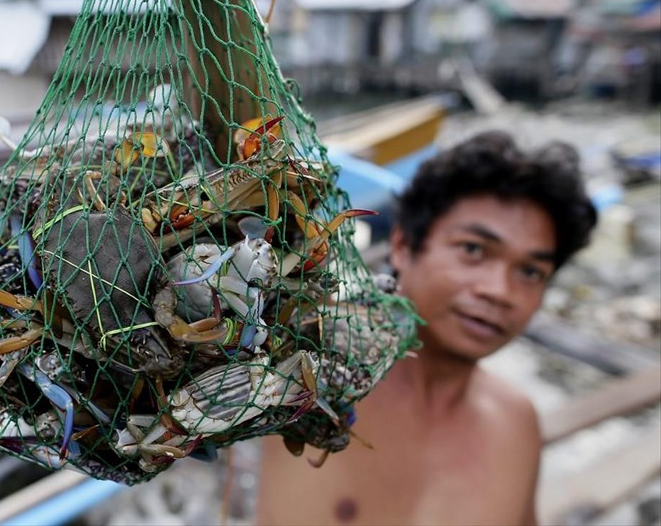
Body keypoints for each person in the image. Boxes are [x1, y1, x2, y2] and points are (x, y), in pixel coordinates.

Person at [256, 130, 598, 525]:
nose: (499, 291)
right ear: (402, 245)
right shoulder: (295, 371)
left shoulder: (516, 423)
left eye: (530, 271)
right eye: (473, 249)